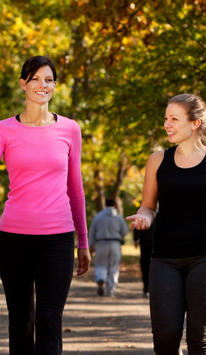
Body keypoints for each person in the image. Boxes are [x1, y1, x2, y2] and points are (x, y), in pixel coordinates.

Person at [126, 93, 206, 355]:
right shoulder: (157, 161)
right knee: (164, 341)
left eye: (174, 119)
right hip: (164, 259)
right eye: (166, 119)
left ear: (195, 123)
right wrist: (143, 218)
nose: (167, 125)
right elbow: (148, 206)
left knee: (199, 340)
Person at [0, 56, 91, 355]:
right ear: (23, 83)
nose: (43, 85)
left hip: (58, 238)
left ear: (55, 85)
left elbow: (74, 187)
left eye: (49, 79)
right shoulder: (4, 130)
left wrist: (84, 242)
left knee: (50, 317)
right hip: (13, 238)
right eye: (36, 78)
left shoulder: (70, 129)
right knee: (21, 322)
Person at [89, 198, 128, 297]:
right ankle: (110, 290)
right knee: (113, 267)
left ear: (105, 204)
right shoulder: (119, 217)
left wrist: (90, 245)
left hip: (101, 243)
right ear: (114, 205)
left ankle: (100, 278)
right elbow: (125, 232)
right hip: (115, 243)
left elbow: (92, 232)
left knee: (101, 264)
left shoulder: (98, 216)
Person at [133, 221, 154, 298]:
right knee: (150, 265)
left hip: (145, 242)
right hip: (154, 242)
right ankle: (148, 288)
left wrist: (135, 239)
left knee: (145, 264)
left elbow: (136, 227)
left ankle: (147, 288)